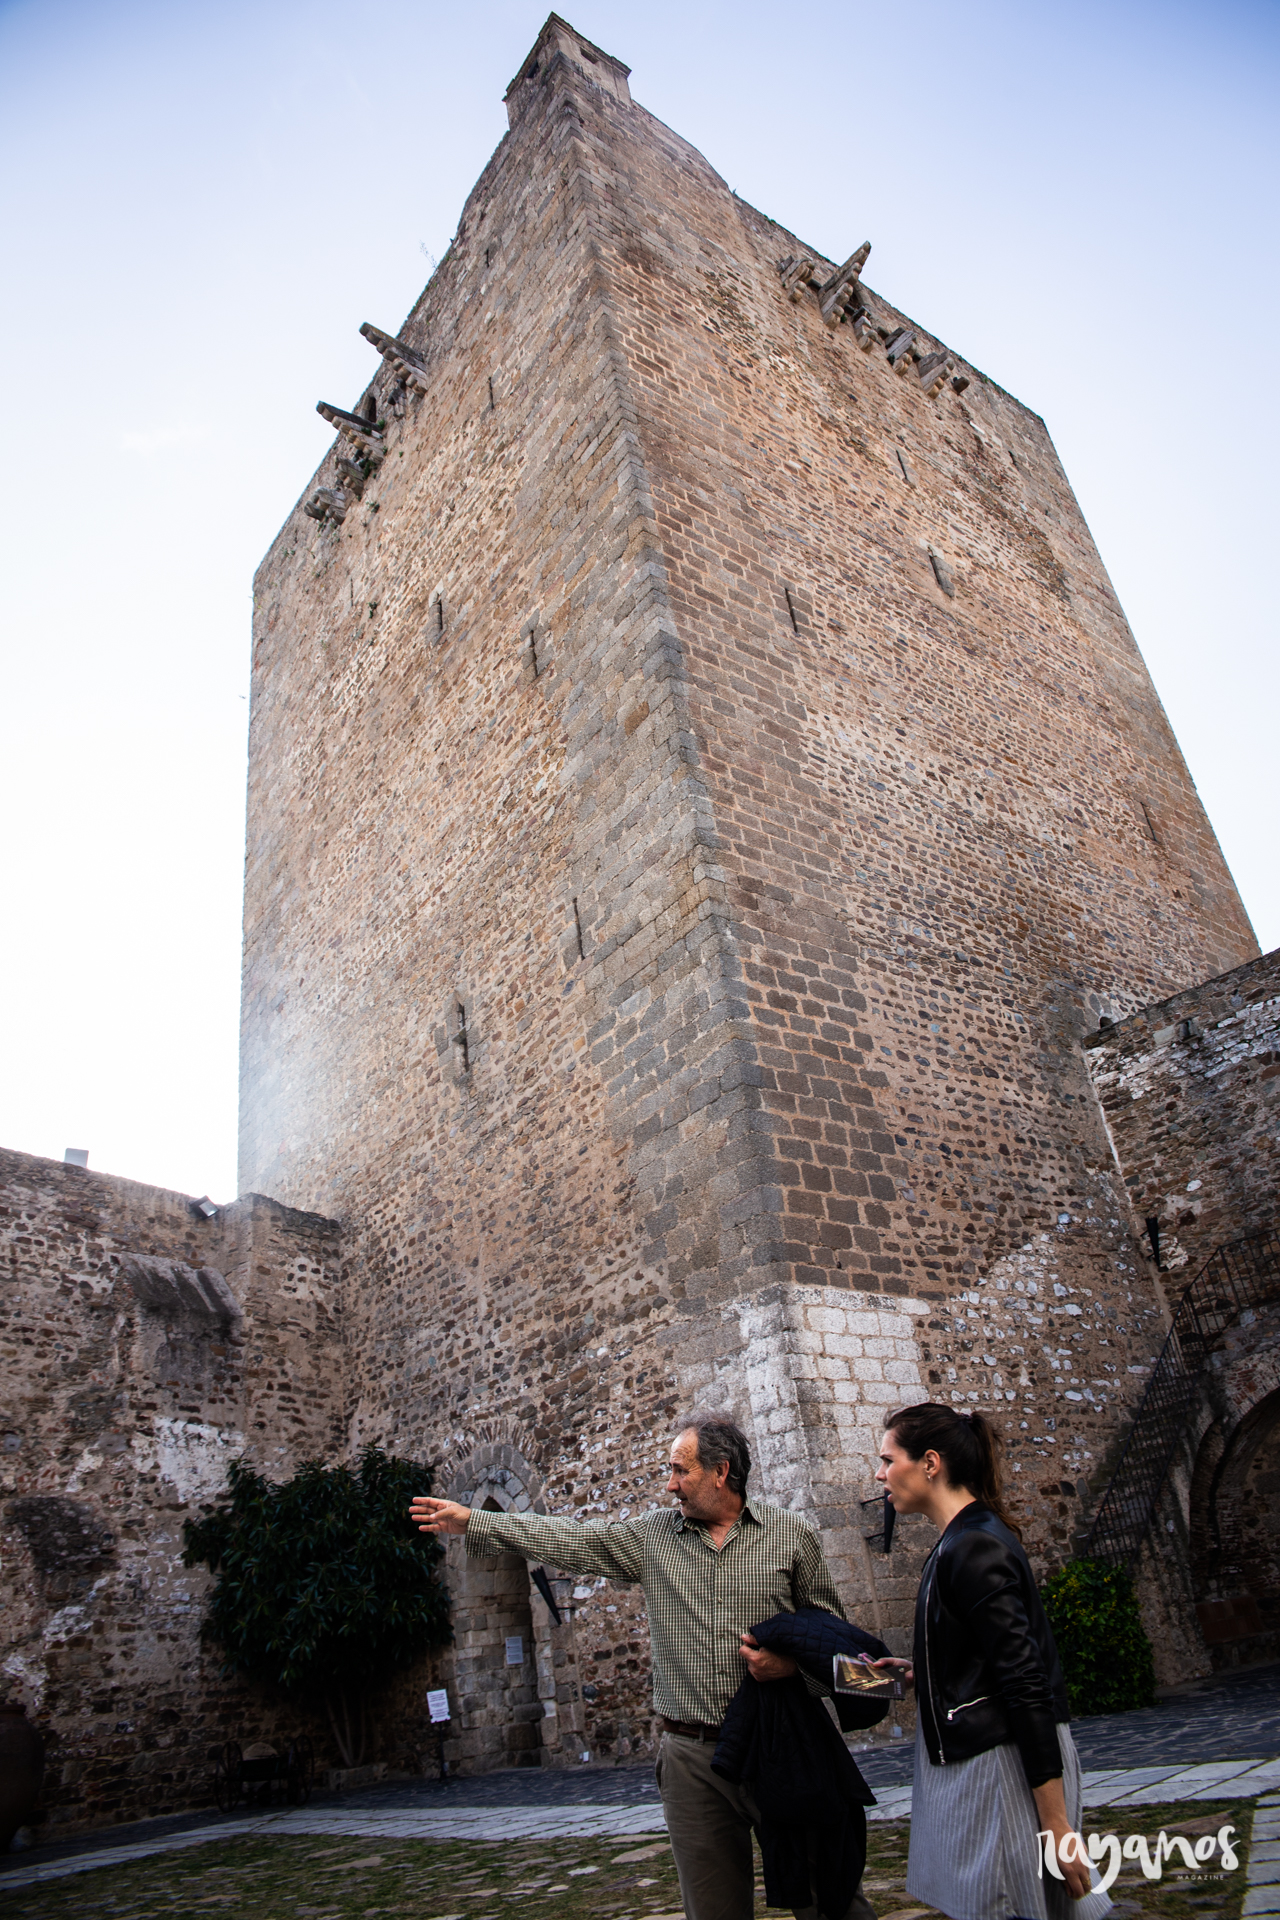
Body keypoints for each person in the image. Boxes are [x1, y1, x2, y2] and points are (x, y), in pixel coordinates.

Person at [410, 1411, 876, 1920]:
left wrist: (790, 1669)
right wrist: (476, 1522)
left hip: (780, 1744)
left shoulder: (792, 1536)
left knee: (829, 1898)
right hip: (691, 1760)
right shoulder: (654, 1539)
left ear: (721, 1472)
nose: (670, 1484)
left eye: (681, 1470)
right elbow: (575, 1541)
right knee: (713, 1911)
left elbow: (832, 1636)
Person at [870, 1402, 1111, 1920]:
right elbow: (985, 1656)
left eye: (889, 1459)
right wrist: (921, 1673)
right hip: (982, 1755)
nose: (880, 1473)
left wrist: (1056, 1823)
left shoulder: (974, 1544)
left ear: (929, 1463)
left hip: (1002, 1764)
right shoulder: (958, 1540)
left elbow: (1026, 1680)